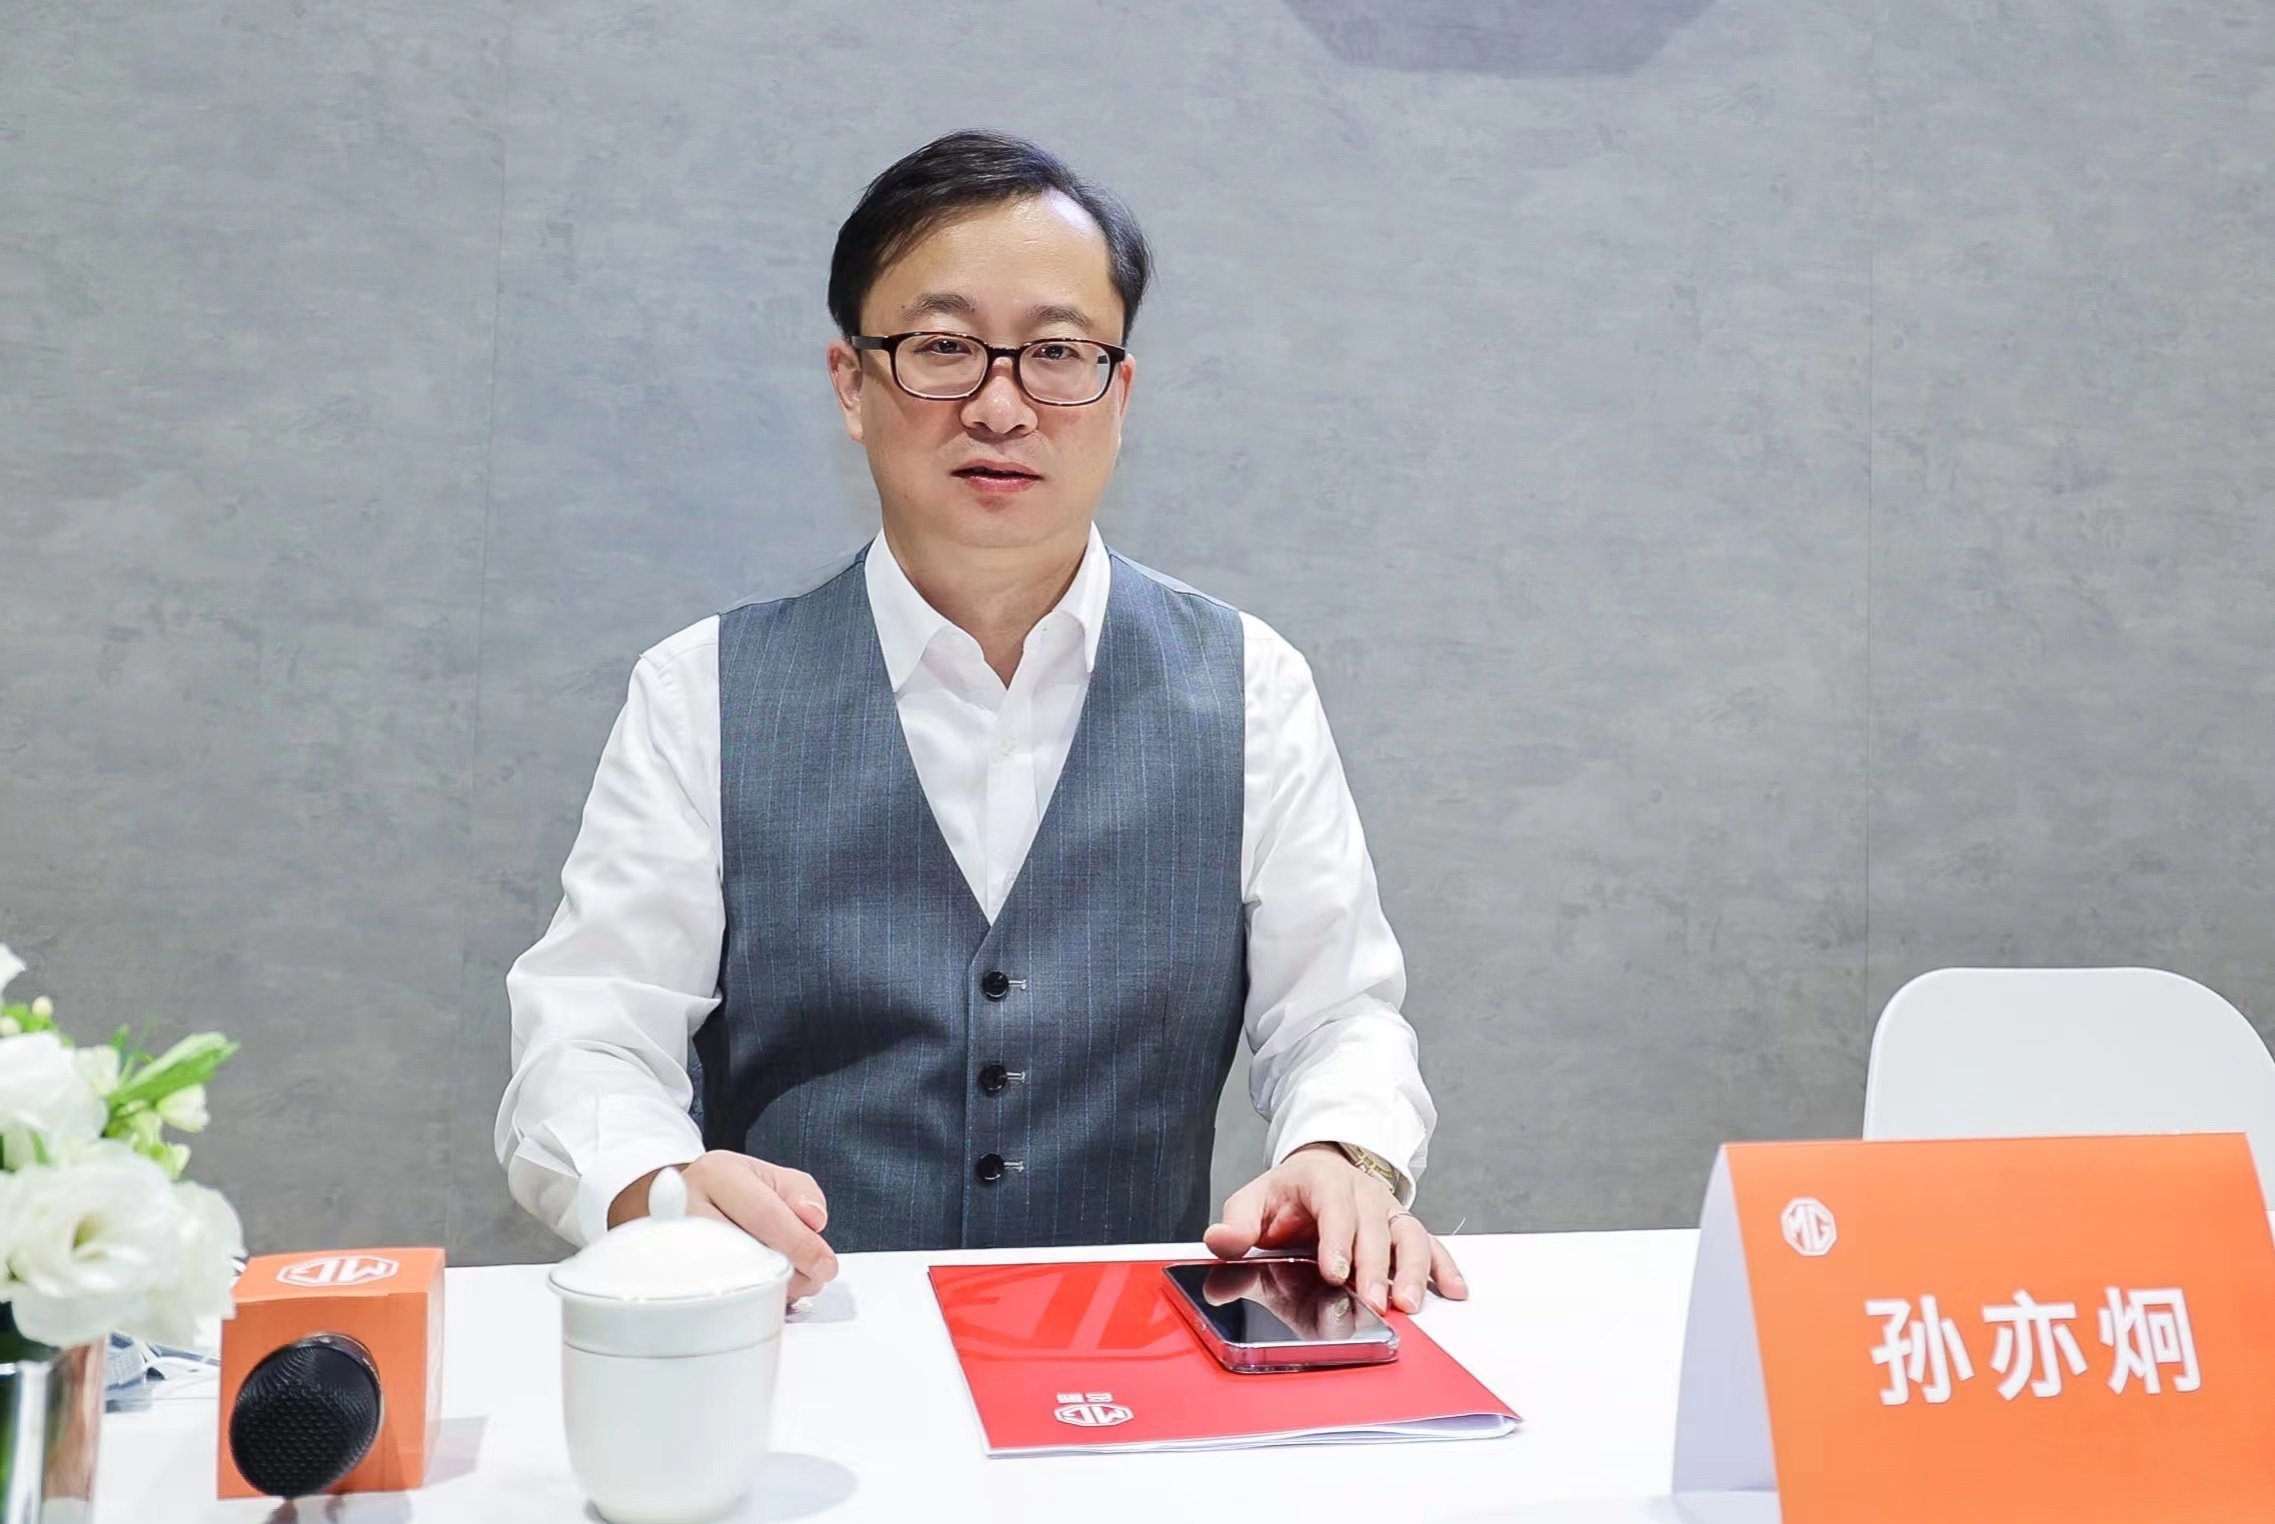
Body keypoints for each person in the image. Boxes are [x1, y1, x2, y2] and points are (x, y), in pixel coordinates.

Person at [495, 130, 1467, 1320]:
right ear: (851, 383)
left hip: (1130, 1347)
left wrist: (1341, 1151)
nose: (1000, 407)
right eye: (944, 349)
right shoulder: (700, 689)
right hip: (809, 1338)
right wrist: (658, 1186)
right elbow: (592, 1033)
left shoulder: (1249, 684)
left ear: (1119, 393)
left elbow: (1337, 1015)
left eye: (1057, 354)